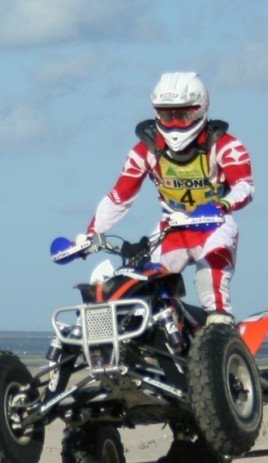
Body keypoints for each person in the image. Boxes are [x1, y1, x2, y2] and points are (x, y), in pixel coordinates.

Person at [82, 71, 254, 325]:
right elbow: (120, 196)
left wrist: (222, 205)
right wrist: (92, 234)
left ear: (199, 110)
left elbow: (244, 186)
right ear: (156, 112)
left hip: (215, 225)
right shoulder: (145, 150)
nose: (175, 122)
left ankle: (222, 337)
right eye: (166, 114)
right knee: (143, 285)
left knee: (211, 282)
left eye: (183, 114)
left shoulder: (225, 144)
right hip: (171, 228)